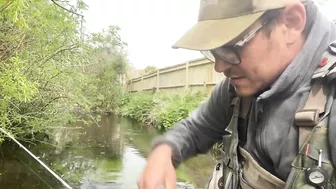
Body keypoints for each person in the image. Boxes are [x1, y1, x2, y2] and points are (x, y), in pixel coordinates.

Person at [137, 0, 336, 188]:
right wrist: (165, 150)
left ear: (291, 23)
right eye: (214, 51)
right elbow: (196, 128)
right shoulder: (238, 88)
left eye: (231, 47)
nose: (219, 66)